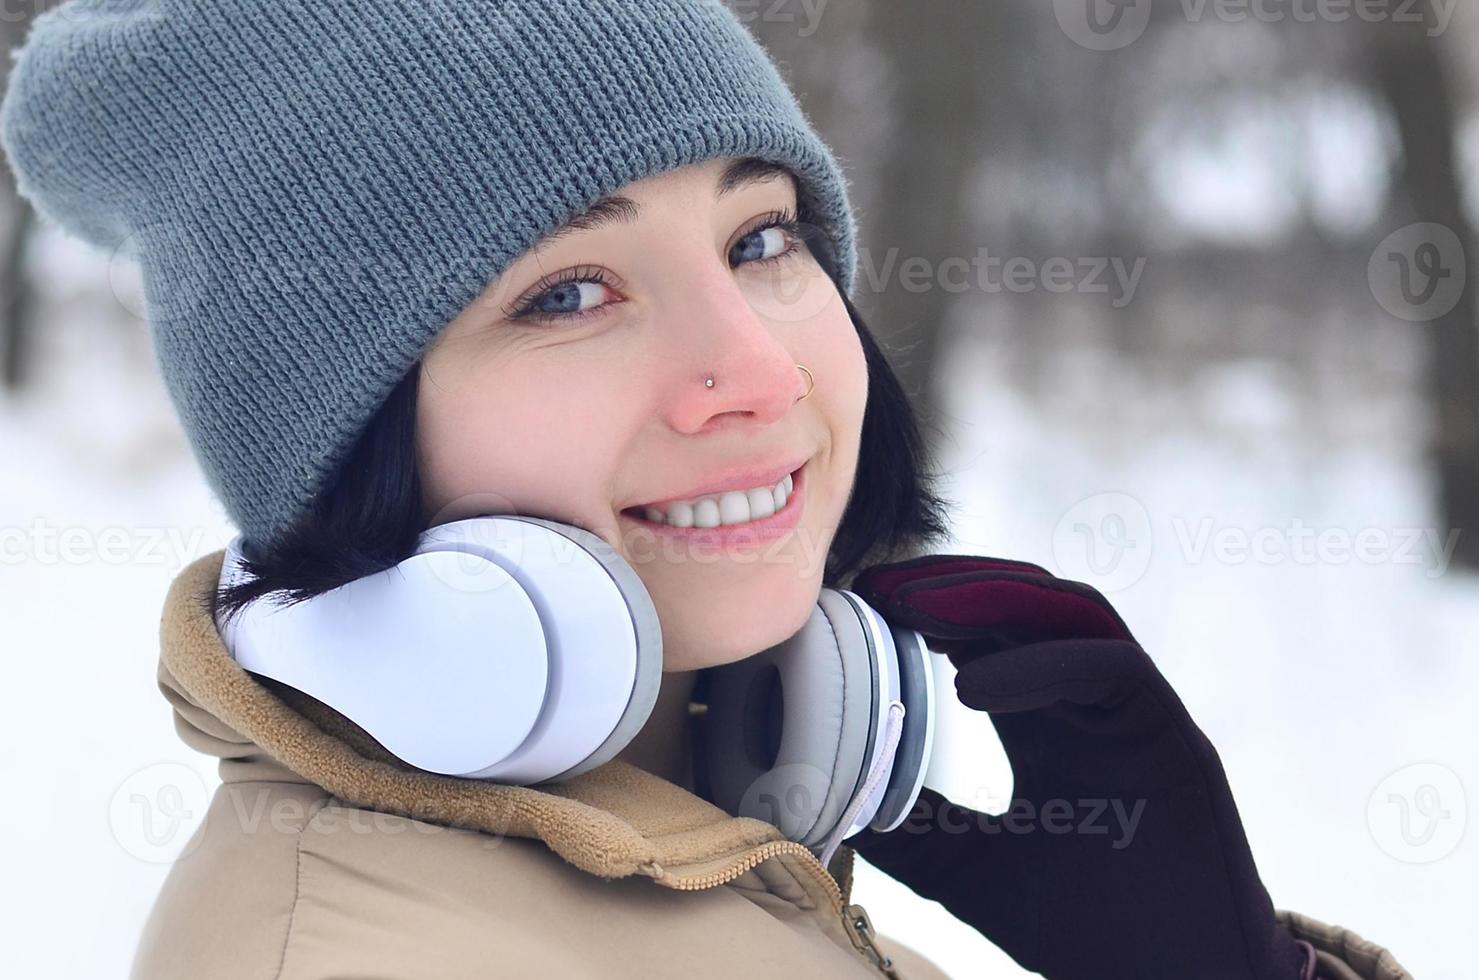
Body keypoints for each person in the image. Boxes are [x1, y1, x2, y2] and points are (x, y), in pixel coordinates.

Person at [0, 1, 1412, 977]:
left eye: (760, 239)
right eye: (566, 291)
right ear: (340, 442)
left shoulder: (708, 850)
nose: (756, 372)